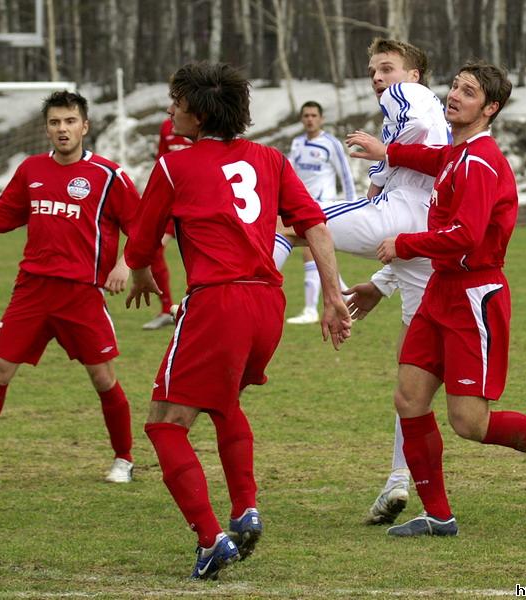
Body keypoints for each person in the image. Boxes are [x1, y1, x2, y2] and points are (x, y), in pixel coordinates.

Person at [124, 62, 352, 579]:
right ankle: (245, 508)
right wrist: (332, 294)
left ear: (200, 115)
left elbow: (140, 242)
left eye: (177, 102)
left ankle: (211, 541)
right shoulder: (270, 158)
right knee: (224, 403)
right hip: (267, 304)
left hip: (218, 303)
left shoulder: (174, 166)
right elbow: (314, 224)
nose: (170, 110)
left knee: (164, 425)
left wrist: (139, 272)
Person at [356, 60, 526, 537]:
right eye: (454, 86)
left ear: (490, 108)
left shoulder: (479, 161)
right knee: (409, 397)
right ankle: (438, 515)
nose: (453, 95)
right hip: (441, 290)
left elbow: (466, 235)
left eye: (467, 92)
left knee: (469, 422)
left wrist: (403, 244)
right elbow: (432, 160)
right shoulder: (457, 153)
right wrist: (387, 150)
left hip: (474, 296)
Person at [275, 38, 450, 526]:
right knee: (412, 374)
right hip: (422, 239)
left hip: (399, 216)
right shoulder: (429, 110)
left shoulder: (408, 96)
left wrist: (383, 154)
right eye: (373, 70)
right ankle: (398, 478)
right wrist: (379, 281)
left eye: (387, 68)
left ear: (414, 74)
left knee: (290, 223)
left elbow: (412, 142)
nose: (378, 78)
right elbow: (412, 160)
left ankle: (239, 296)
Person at [0, 91, 140, 485]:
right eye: (55, 122)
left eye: (70, 121)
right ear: (47, 129)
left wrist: (124, 265)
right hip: (32, 290)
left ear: (85, 126)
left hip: (80, 294)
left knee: (103, 378)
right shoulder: (31, 170)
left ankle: (124, 459)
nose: (62, 129)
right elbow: (0, 216)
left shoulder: (108, 175)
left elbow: (142, 227)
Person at [284, 101, 356, 325]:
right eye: (306, 115)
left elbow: (345, 174)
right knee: (320, 256)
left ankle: (310, 310)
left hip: (323, 207)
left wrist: (352, 205)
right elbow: (289, 173)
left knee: (311, 253)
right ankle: (348, 296)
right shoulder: (297, 143)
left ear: (321, 119)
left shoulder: (331, 143)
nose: (310, 119)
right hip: (301, 208)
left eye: (314, 115)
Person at [141, 118, 194, 330]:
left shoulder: (201, 123)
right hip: (171, 202)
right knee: (155, 250)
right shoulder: (167, 126)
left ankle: (195, 309)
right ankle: (166, 310)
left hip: (194, 202)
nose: (171, 109)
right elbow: (161, 162)